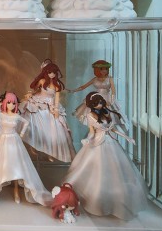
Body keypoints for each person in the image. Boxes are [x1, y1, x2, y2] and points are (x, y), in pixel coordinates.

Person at [63, 92, 148, 220]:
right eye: (97, 103)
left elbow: (112, 129)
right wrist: (87, 140)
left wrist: (127, 137)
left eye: (101, 102)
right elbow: (92, 132)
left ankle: (118, 202)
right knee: (96, 169)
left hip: (111, 142)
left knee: (116, 169)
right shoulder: (90, 115)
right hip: (97, 141)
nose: (99, 104)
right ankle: (94, 201)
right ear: (91, 104)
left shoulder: (107, 113)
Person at [20, 59, 76, 162]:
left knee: (54, 129)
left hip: (51, 105)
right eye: (50, 72)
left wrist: (56, 110)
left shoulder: (57, 84)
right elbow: (35, 90)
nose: (52, 74)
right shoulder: (42, 81)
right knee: (35, 123)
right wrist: (30, 94)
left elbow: (57, 98)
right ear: (46, 72)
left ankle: (52, 152)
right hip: (39, 102)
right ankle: (34, 146)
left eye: (54, 72)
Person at [69, 59, 128, 132]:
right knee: (93, 115)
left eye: (106, 69)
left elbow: (113, 91)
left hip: (107, 98)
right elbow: (83, 87)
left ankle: (107, 131)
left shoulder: (109, 78)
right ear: (97, 70)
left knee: (108, 117)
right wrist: (73, 90)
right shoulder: (95, 79)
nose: (104, 71)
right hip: (96, 98)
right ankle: (96, 130)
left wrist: (112, 101)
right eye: (102, 69)